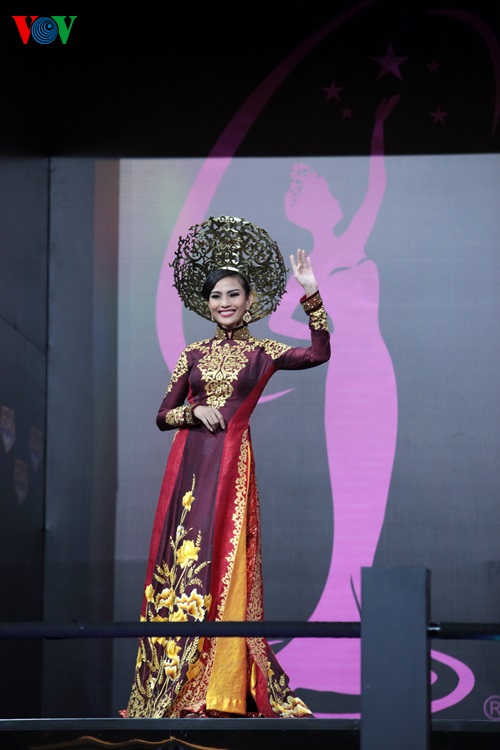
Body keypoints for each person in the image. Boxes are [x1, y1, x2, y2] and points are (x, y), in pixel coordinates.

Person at [124, 216, 330, 718]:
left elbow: (318, 353)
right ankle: (173, 688)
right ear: (207, 303)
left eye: (233, 295)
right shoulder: (192, 354)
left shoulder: (263, 352)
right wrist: (193, 412)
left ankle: (222, 688)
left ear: (249, 299)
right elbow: (162, 415)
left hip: (231, 468)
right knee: (183, 565)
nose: (224, 303)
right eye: (216, 296)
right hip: (188, 469)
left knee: (226, 559)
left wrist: (311, 295)